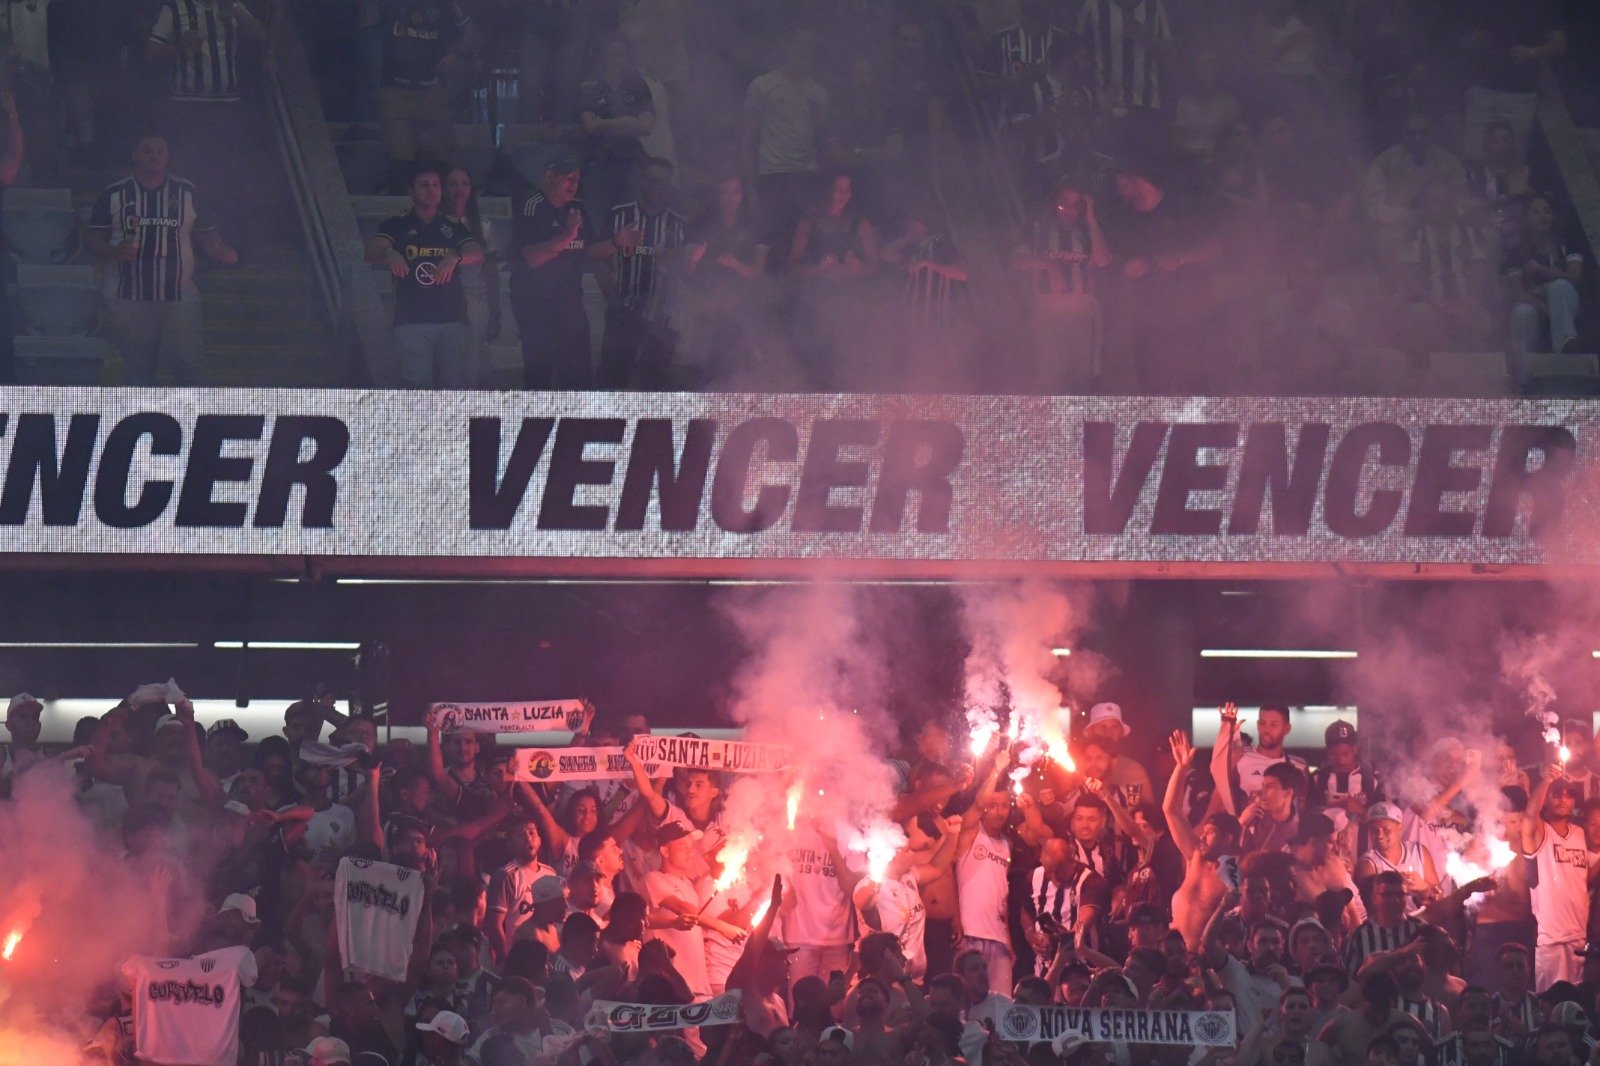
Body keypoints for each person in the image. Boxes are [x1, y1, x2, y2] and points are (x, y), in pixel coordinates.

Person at [85, 132, 238, 385]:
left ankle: (192, 422)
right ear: (134, 155)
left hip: (179, 295)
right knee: (138, 370)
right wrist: (114, 252)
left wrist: (220, 250)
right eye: (147, 150)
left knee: (189, 365)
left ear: (168, 157)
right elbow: (91, 238)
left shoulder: (187, 191)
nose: (154, 156)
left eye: (160, 151)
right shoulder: (114, 193)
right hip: (127, 296)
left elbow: (205, 234)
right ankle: (140, 421)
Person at [365, 163, 484, 388]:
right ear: (411, 192)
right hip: (412, 322)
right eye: (424, 185)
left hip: (452, 319)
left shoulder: (451, 225)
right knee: (417, 391)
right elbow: (371, 252)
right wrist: (390, 252)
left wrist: (455, 256)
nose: (432, 190)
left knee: (451, 390)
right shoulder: (397, 223)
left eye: (436, 185)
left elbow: (476, 252)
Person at [510, 149, 610, 389]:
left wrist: (619, 242)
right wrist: (567, 235)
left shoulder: (577, 209)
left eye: (577, 179)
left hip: (570, 301)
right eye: (568, 178)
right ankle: (536, 423)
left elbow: (591, 249)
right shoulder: (532, 205)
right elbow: (533, 258)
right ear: (550, 176)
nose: (573, 184)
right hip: (535, 305)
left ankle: (576, 424)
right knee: (539, 374)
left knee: (578, 374)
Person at [1011, 179, 1111, 392]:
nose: (1068, 210)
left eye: (1076, 205)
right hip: (1047, 309)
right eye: (1063, 203)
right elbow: (1016, 261)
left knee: (1081, 373)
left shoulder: (1087, 232)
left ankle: (1079, 420)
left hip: (1082, 311)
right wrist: (1048, 265)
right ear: (1054, 204)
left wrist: (1092, 219)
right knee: (1048, 373)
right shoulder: (1039, 230)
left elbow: (1102, 260)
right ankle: (1052, 422)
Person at [597, 156, 685, 390]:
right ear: (642, 182)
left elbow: (687, 271)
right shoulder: (620, 216)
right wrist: (614, 301)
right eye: (652, 181)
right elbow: (597, 259)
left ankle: (649, 428)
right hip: (623, 311)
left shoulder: (678, 224)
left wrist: (675, 261)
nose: (657, 188)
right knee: (613, 382)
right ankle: (608, 427)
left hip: (661, 318)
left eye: (663, 183)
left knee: (654, 387)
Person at [744, 29, 830, 264]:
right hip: (772, 174)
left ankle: (800, 298)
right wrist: (750, 187)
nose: (804, 51)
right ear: (787, 47)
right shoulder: (762, 86)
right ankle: (766, 297)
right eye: (799, 44)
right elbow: (749, 138)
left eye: (809, 46)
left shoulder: (819, 94)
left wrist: (821, 188)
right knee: (770, 243)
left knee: (802, 245)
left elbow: (823, 144)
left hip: (805, 176)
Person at [375, 0, 475, 192]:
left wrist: (456, 55)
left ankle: (440, 215)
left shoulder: (446, 4)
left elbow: (470, 33)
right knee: (399, 157)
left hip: (431, 91)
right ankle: (402, 214)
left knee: (439, 156)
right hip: (395, 90)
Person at [1165, 730, 1243, 950]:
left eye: (1210, 832)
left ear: (1227, 838)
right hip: (1174, 956)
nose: (1202, 836)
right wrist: (1180, 768)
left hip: (1206, 963)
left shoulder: (1232, 871)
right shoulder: (1196, 856)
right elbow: (1170, 810)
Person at [1523, 767, 1600, 990]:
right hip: (1551, 942)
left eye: (1569, 793)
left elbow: (1582, 880)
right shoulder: (1540, 833)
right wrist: (1547, 779)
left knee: (1576, 1007)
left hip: (1579, 940)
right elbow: (1529, 816)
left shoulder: (1578, 833)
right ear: (1546, 797)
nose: (1563, 798)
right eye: (1556, 793)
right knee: (1551, 1006)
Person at [577, 34, 654, 221]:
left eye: (620, 54)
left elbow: (646, 126)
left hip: (631, 162)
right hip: (599, 162)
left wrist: (603, 124)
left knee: (630, 218)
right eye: (611, 54)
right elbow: (589, 125)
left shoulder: (638, 86)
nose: (615, 59)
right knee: (597, 220)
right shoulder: (590, 87)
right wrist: (625, 122)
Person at [1507, 194, 1584, 365]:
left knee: (1559, 286)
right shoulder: (1518, 250)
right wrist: (1546, 308)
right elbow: (1518, 293)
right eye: (1536, 212)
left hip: (1566, 303)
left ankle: (1566, 349)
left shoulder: (1567, 243)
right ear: (1527, 218)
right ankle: (1523, 371)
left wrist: (1544, 271)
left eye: (1546, 211)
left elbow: (1575, 279)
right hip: (1536, 305)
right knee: (1521, 312)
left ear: (1554, 216)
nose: (1542, 216)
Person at [442, 166, 500, 388]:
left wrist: (495, 310)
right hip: (442, 302)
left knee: (472, 363)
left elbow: (491, 271)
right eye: (453, 183)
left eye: (464, 183)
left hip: (475, 302)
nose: (459, 189)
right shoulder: (433, 225)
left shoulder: (483, 226)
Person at [483, 817, 558, 963]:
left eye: (532, 833)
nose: (528, 839)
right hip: (522, 956)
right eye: (521, 835)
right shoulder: (506, 875)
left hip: (549, 955)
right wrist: (507, 959)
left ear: (540, 840)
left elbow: (555, 919)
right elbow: (494, 924)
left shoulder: (550, 873)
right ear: (510, 844)